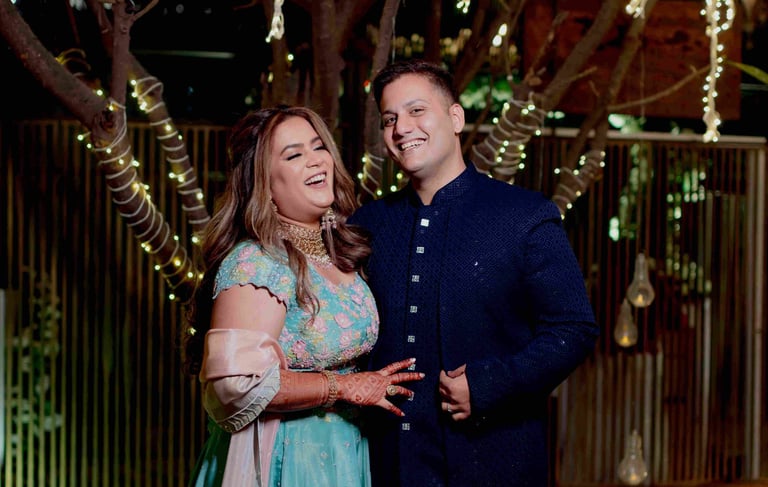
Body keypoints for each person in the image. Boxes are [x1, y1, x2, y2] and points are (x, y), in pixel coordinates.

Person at [348, 60, 600, 486]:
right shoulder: (367, 225)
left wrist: (488, 385)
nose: (401, 128)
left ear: (456, 118)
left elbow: (574, 329)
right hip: (387, 463)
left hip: (495, 461)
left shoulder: (524, 215)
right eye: (389, 119)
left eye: (416, 111)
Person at [188, 106, 424, 487]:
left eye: (318, 147)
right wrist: (342, 386)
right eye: (294, 155)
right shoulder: (257, 261)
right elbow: (233, 386)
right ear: (265, 184)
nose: (316, 161)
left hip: (346, 453)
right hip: (286, 460)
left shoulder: (339, 251)